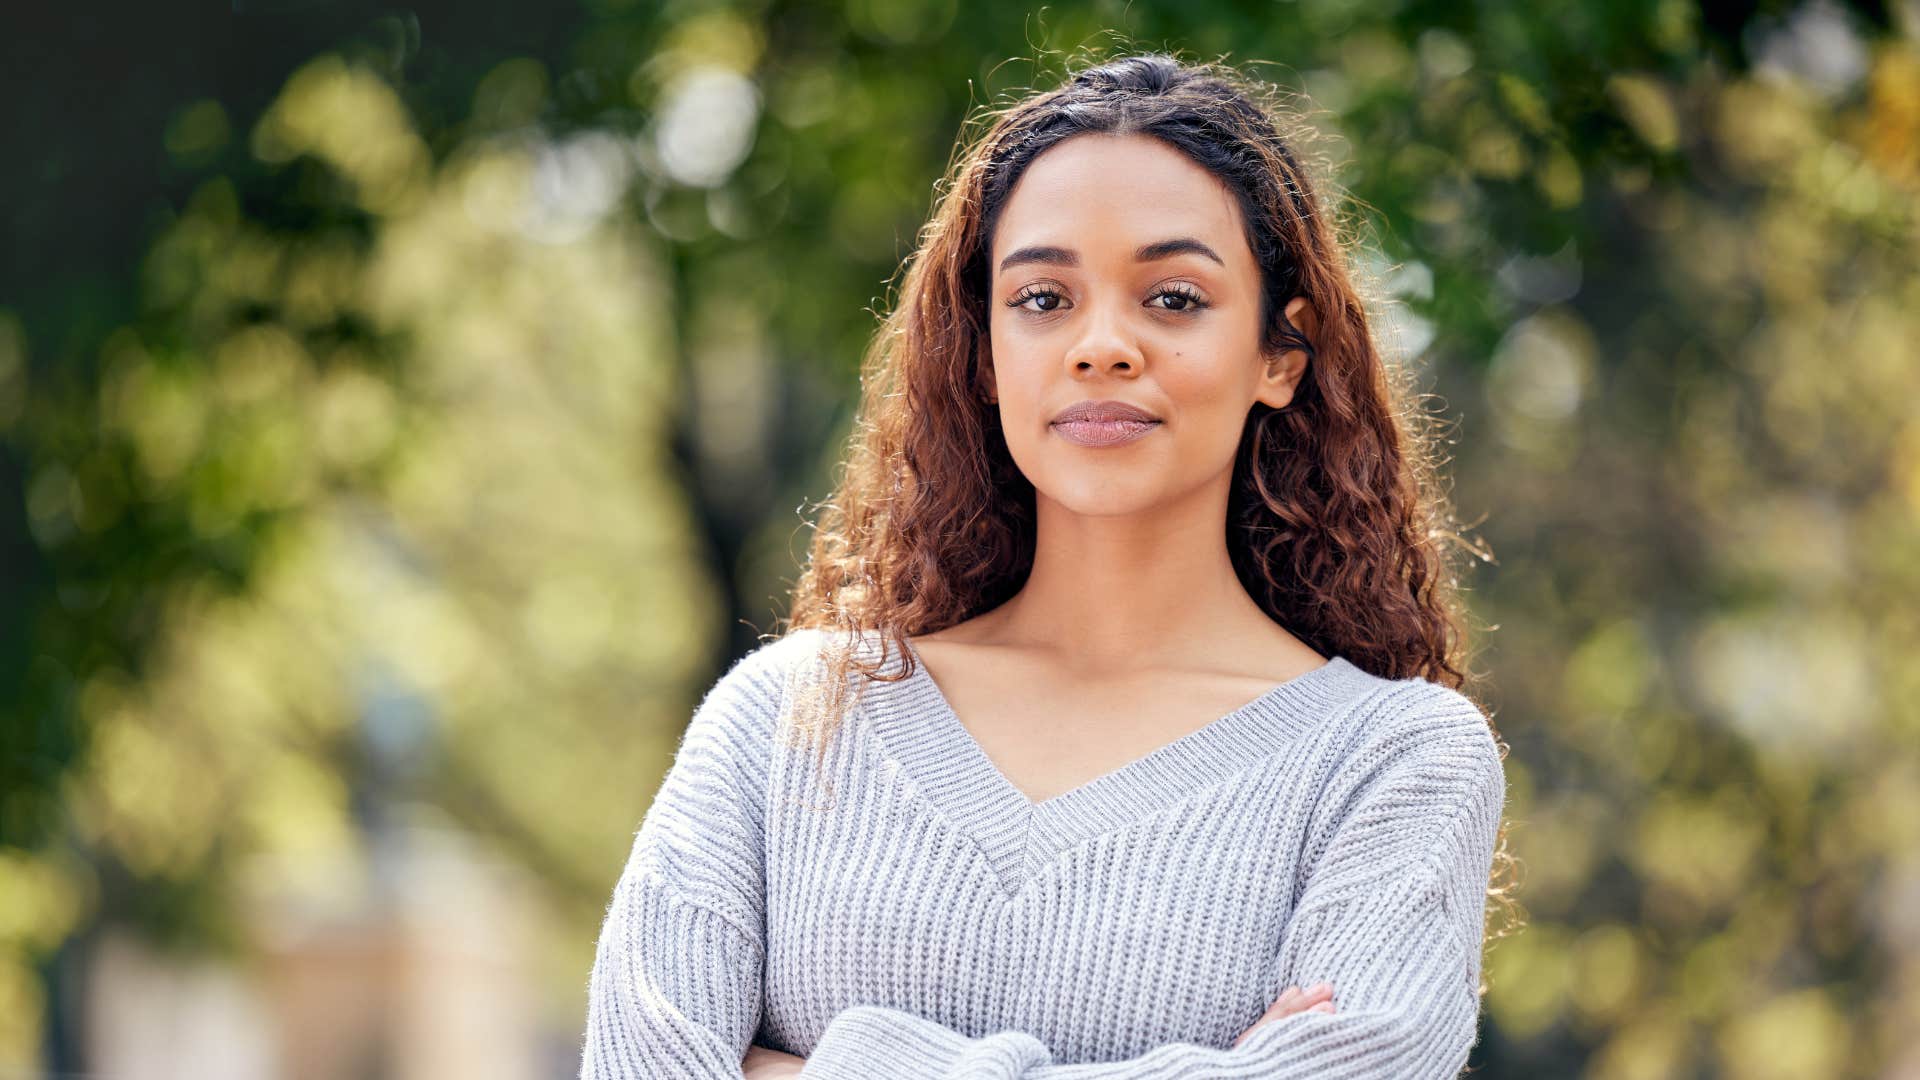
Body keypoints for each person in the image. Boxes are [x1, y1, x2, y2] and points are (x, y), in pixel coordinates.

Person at [580, 50, 1516, 1079]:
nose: (1103, 345)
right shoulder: (785, 721)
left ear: (1279, 358)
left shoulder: (1394, 761)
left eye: (1173, 298)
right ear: (983, 354)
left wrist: (812, 1069)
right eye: (1041, 299)